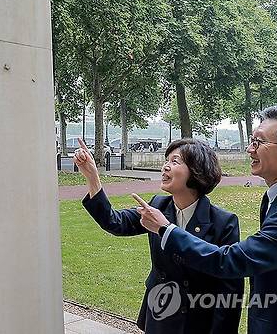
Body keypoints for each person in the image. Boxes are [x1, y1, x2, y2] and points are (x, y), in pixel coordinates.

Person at [135, 106, 277, 334]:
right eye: (252, 140)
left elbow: (229, 261)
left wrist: (166, 229)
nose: (250, 149)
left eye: (259, 143)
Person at [74, 137, 242, 333]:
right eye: (166, 160)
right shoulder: (157, 206)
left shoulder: (224, 222)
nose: (165, 167)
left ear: (197, 170)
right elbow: (114, 222)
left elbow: (230, 289)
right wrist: (92, 177)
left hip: (198, 320)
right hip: (160, 314)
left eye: (175, 161)